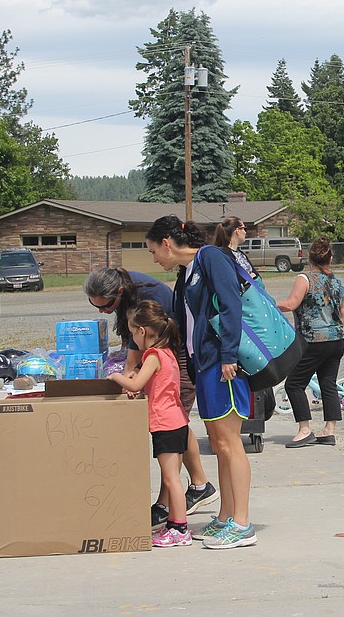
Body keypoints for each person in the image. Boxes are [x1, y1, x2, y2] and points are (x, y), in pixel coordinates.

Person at [145, 215, 257, 549]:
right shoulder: (187, 273)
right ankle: (225, 516)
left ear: (167, 243)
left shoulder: (210, 257)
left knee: (229, 443)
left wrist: (228, 356)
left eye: (153, 251)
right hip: (205, 366)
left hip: (224, 366)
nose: (154, 259)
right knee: (219, 445)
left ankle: (242, 523)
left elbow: (231, 303)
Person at [84, 267, 217, 525]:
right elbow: (135, 348)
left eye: (106, 306)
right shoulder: (144, 333)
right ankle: (198, 486)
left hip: (175, 370)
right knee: (180, 427)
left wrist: (125, 377)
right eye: (95, 306)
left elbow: (138, 354)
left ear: (120, 293)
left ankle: (171, 513)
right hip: (162, 375)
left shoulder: (151, 304)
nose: (102, 311)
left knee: (171, 456)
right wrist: (132, 371)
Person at [108, 300, 192, 547]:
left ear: (142, 331)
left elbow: (133, 384)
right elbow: (147, 383)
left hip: (165, 423)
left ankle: (180, 529)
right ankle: (174, 525)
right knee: (173, 476)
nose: (134, 337)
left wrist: (116, 376)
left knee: (170, 480)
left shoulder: (153, 355)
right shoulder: (167, 353)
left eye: (133, 332)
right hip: (177, 420)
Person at [276, 236, 344, 448]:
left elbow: (291, 304)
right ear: (330, 259)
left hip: (313, 340)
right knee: (328, 383)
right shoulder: (339, 282)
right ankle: (329, 430)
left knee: (294, 383)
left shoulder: (305, 278)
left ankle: (304, 429)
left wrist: (268, 303)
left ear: (310, 257)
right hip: (337, 339)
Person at [213, 216, 260, 282]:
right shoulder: (222, 255)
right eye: (244, 229)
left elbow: (256, 275)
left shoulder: (240, 253)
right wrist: (248, 278)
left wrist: (252, 277)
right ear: (237, 231)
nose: (245, 232)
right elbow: (227, 278)